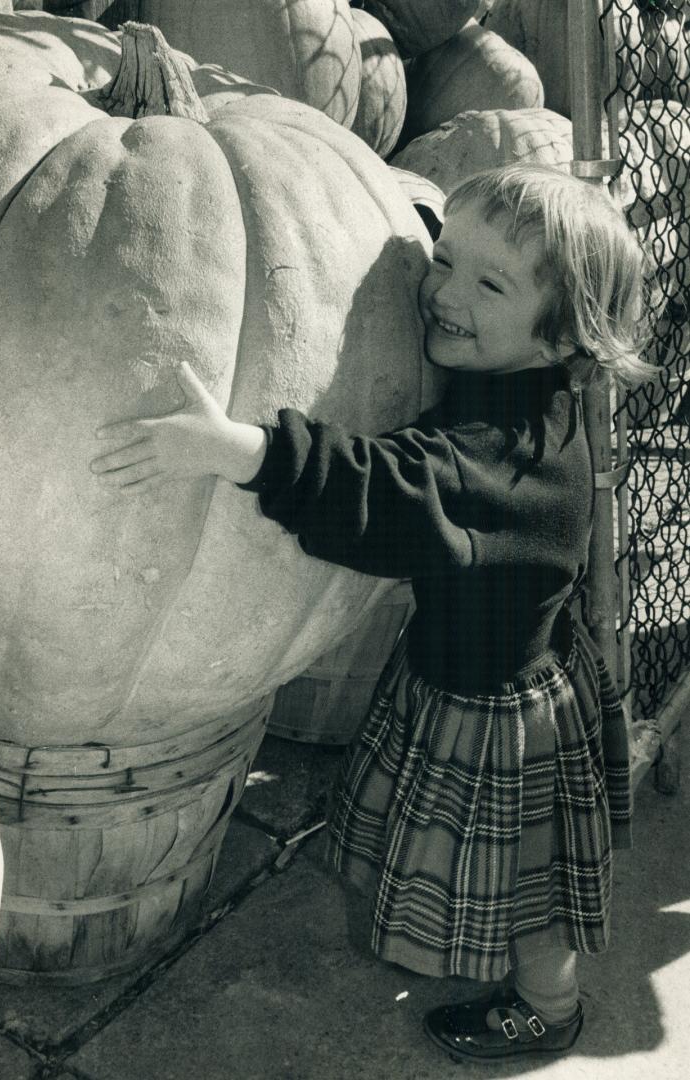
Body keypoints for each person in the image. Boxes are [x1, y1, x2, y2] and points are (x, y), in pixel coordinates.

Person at [89, 163, 658, 1062]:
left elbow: (390, 492)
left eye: (487, 281)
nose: (440, 290)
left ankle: (549, 1006)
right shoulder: (526, 389)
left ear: (564, 336)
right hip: (486, 665)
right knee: (500, 868)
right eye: (443, 258)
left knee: (526, 885)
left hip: (497, 714)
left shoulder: (505, 462)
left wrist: (240, 452)